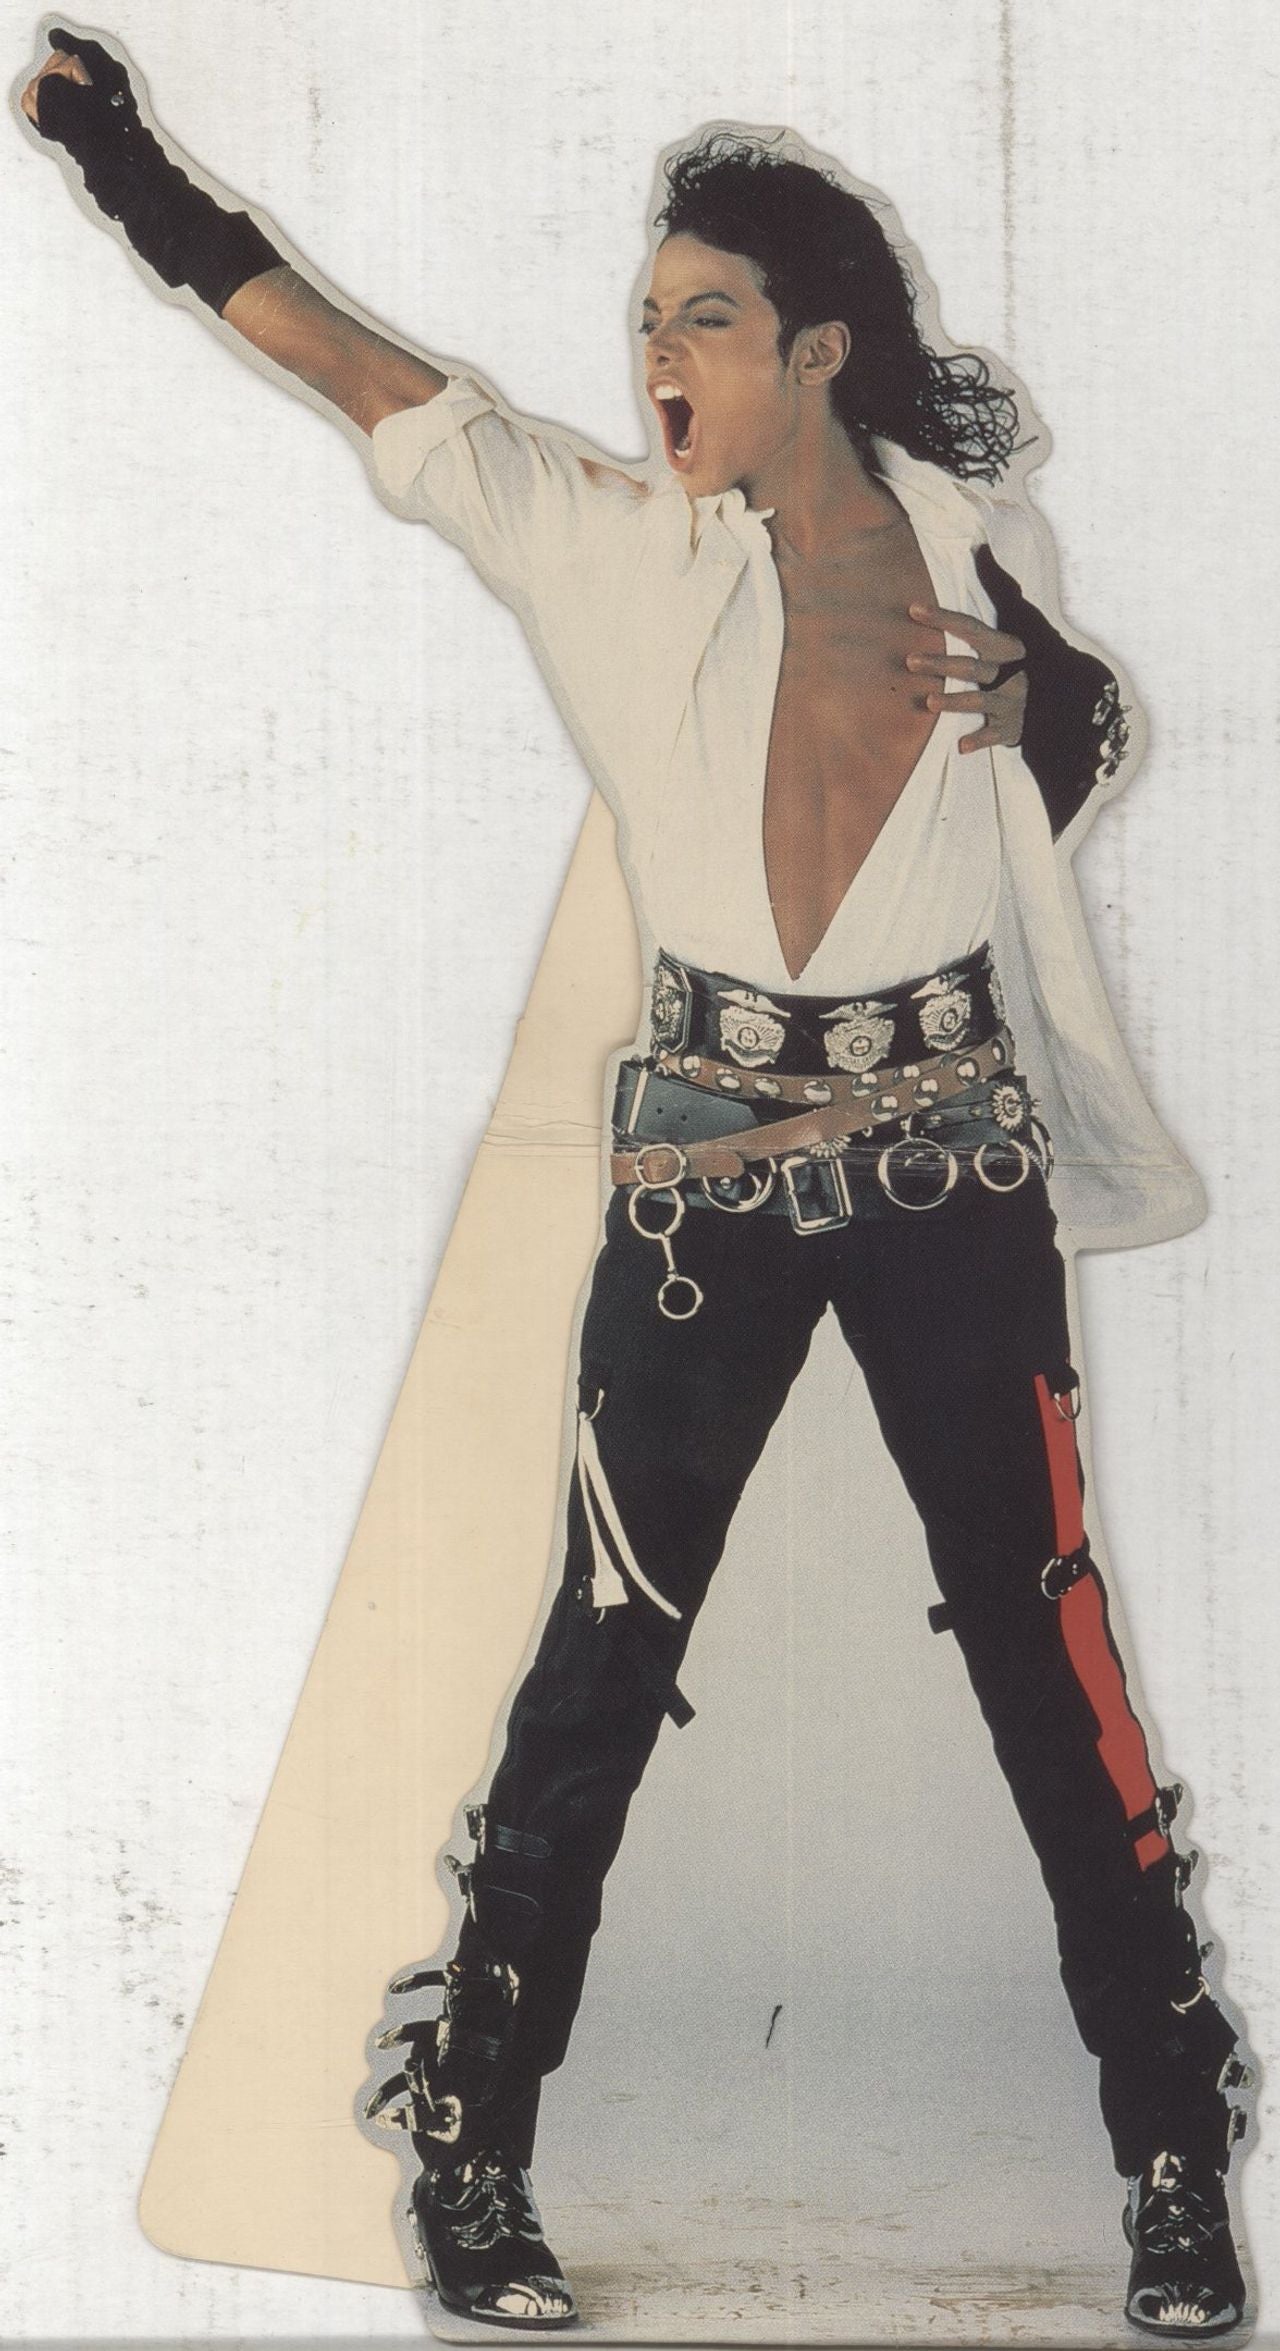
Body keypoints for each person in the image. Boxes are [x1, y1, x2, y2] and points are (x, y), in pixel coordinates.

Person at [20, 29, 1254, 2338]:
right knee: (605, 1649)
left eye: (704, 319)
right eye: (643, 319)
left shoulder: (978, 550)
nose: (655, 357)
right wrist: (115, 155)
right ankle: (471, 2144)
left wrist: (1047, 701)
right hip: (702, 1187)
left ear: (816, 351)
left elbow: (1080, 732)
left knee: (1043, 1640)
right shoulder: (597, 539)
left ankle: (1174, 2155)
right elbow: (341, 357)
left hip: (952, 1166)